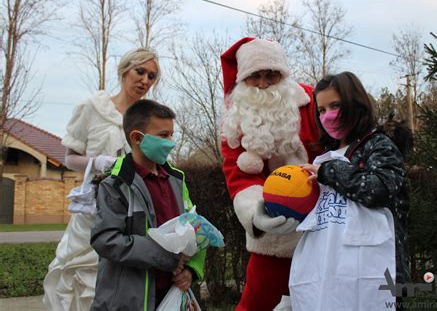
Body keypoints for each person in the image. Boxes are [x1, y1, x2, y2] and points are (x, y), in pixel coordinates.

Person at [43, 48, 161, 310]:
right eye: (139, 72)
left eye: (151, 76)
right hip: (93, 213)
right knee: (84, 282)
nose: (144, 80)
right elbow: (70, 158)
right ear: (124, 71)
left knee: (125, 283)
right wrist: (97, 163)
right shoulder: (92, 108)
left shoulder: (149, 119)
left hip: (132, 213)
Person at [289, 71, 411, 311]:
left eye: (335, 105)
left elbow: (381, 189)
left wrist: (329, 172)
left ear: (355, 104)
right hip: (329, 274)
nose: (328, 116)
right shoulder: (327, 154)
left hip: (377, 272)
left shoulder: (379, 145)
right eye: (321, 110)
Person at [220, 37, 322, 310]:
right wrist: (258, 213)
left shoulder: (313, 101)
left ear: (283, 74)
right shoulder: (234, 122)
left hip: (323, 230)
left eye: (271, 75)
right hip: (273, 238)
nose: (263, 83)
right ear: (243, 79)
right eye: (255, 76)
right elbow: (239, 176)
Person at [89, 99, 205, 310]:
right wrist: (165, 257)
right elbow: (105, 239)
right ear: (137, 138)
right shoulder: (115, 185)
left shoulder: (177, 180)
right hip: (128, 301)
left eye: (172, 135)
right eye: (163, 135)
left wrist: (192, 270)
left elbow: (195, 228)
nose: (171, 142)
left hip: (171, 294)